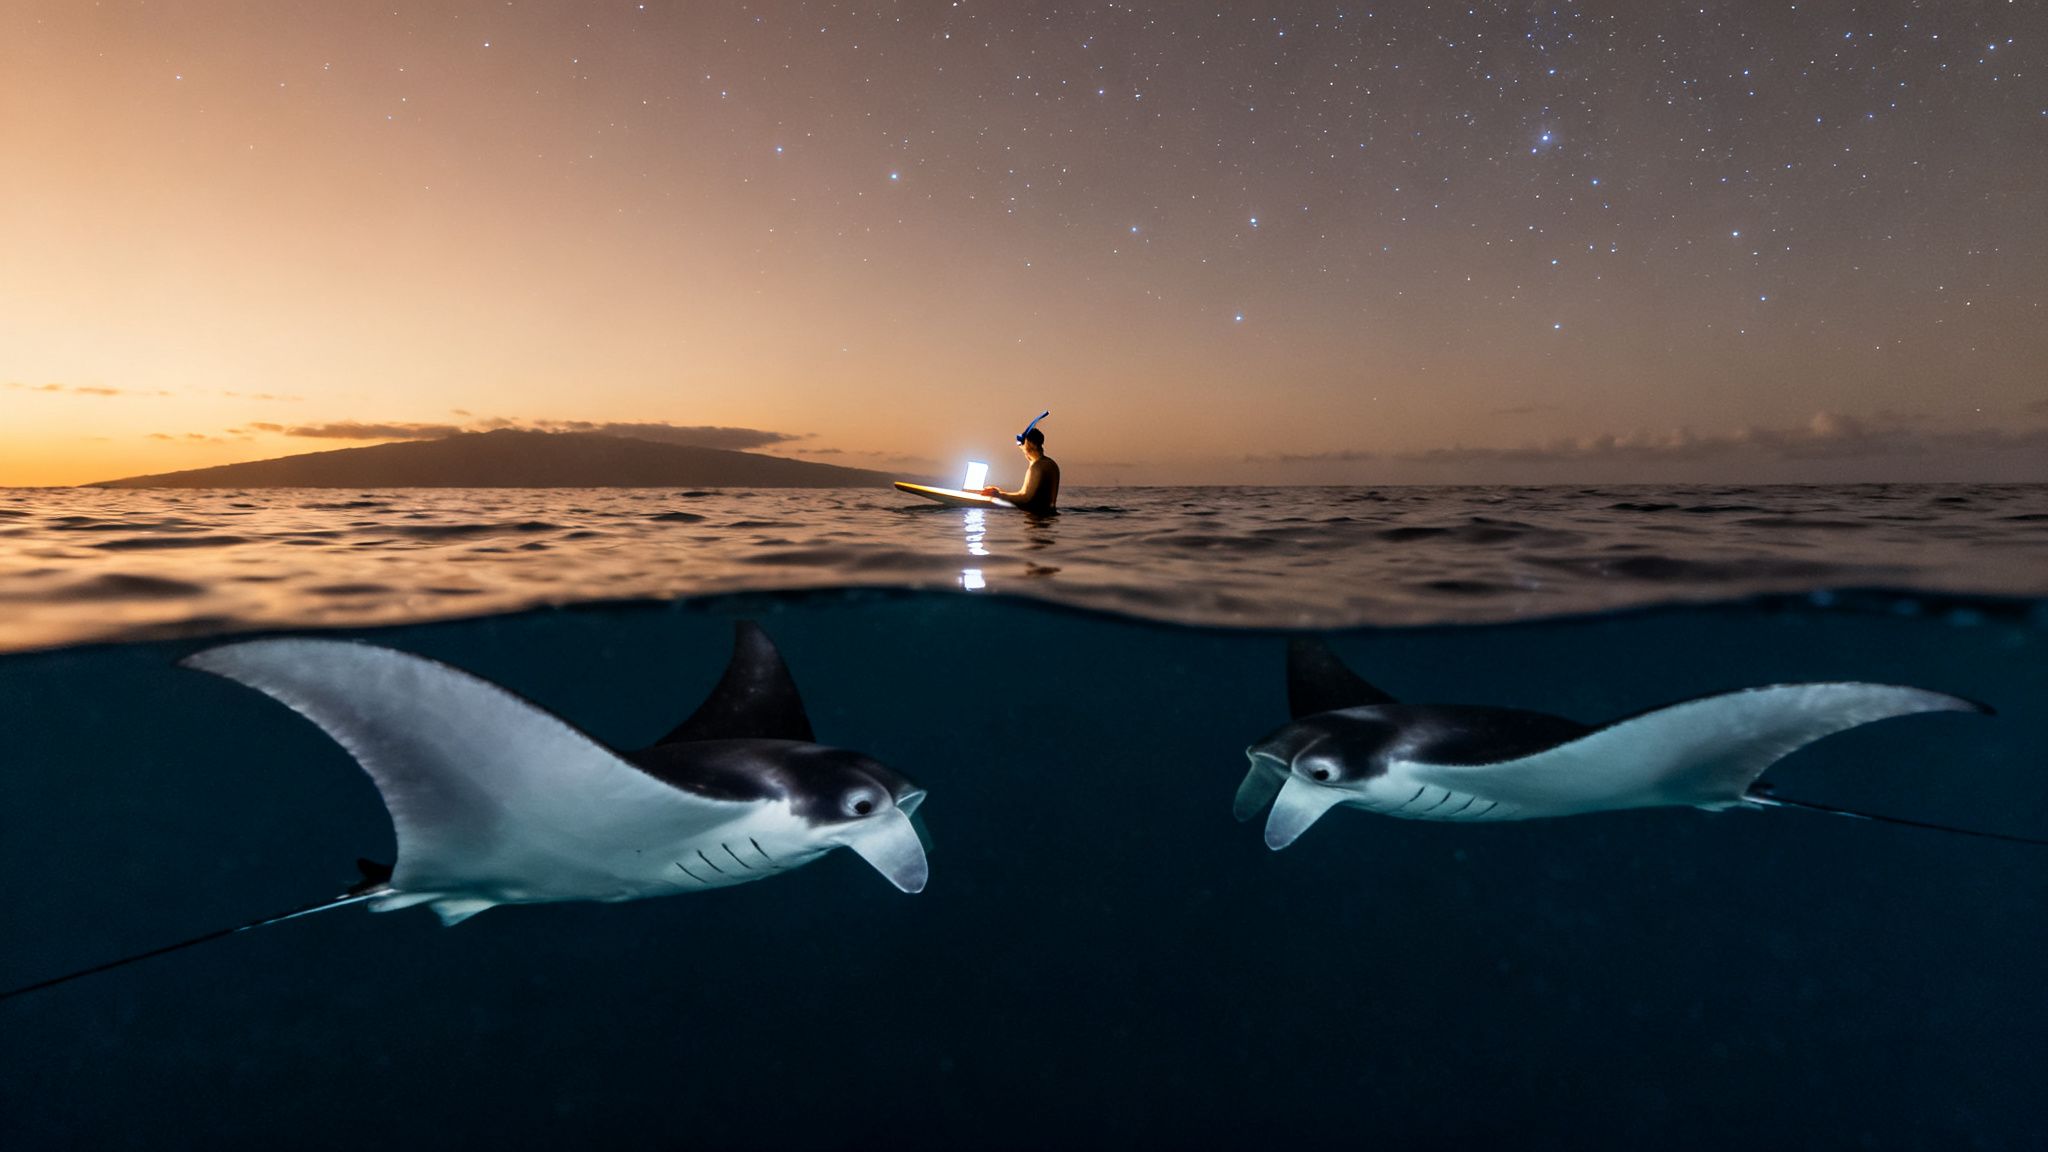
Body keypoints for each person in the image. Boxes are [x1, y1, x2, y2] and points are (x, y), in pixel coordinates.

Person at [982, 412, 1060, 514]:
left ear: (1030, 444)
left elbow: (1026, 498)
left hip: (1037, 521)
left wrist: (998, 495)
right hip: (1049, 522)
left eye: (1021, 444)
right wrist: (1000, 493)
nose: (1021, 448)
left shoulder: (1037, 467)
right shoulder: (1052, 464)